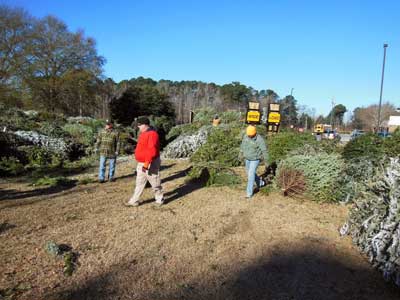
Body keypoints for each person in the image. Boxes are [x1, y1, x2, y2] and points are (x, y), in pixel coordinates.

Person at [126, 116, 164, 206]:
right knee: (139, 182)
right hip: (142, 162)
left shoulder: (152, 134)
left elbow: (152, 150)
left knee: (154, 181)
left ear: (145, 125)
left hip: (150, 162)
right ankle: (134, 200)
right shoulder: (143, 133)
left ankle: (160, 199)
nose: (138, 127)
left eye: (139, 125)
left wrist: (146, 163)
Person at [240, 125, 268, 199]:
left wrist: (267, 161)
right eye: (248, 135)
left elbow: (264, 151)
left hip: (255, 159)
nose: (249, 136)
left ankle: (249, 194)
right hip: (247, 158)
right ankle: (261, 183)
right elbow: (243, 145)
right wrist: (240, 153)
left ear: (254, 133)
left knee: (250, 175)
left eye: (250, 135)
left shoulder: (259, 140)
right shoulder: (246, 136)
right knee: (249, 173)